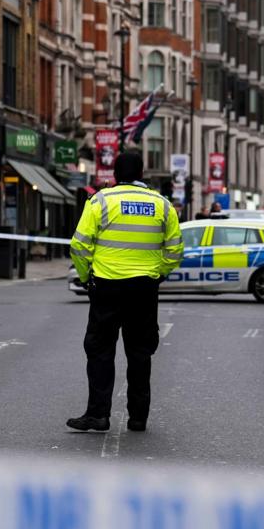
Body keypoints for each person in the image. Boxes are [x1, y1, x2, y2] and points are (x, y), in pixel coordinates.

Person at [68, 150, 183, 433]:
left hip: (106, 286)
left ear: (115, 175)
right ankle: (138, 417)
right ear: (142, 174)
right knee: (140, 353)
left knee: (100, 351)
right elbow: (175, 249)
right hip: (143, 288)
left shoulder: (100, 201)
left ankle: (98, 415)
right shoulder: (162, 204)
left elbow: (79, 245)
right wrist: (158, 274)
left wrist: (86, 277)